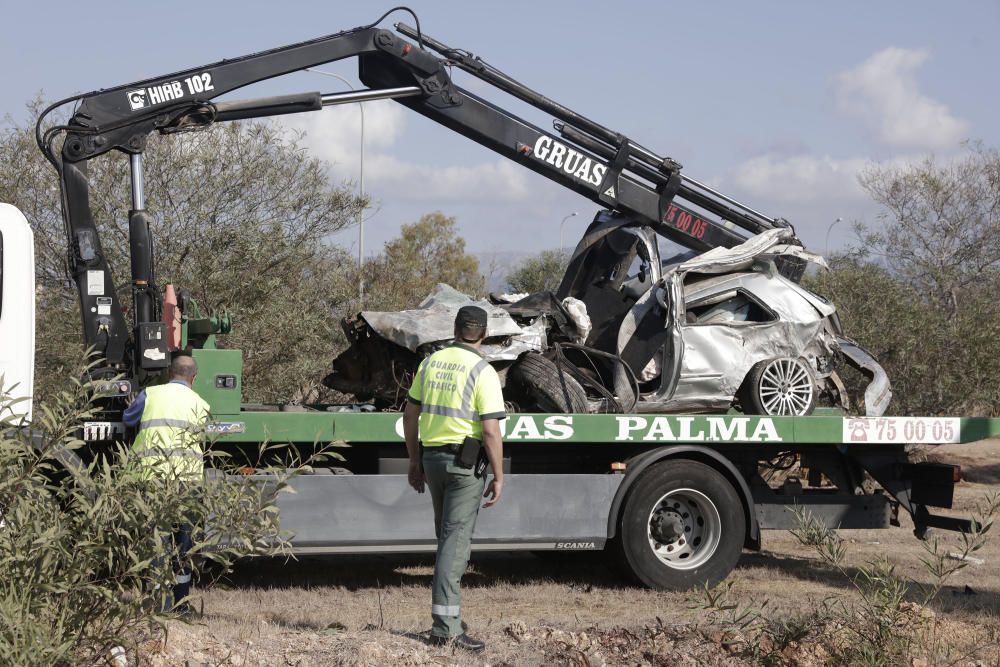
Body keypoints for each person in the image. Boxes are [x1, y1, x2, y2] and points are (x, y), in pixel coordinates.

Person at [403, 305, 506, 652]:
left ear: (455, 328)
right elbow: (491, 431)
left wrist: (414, 461)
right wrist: (499, 475)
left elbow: (410, 414)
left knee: (447, 539)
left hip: (432, 460)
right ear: (485, 333)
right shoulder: (483, 370)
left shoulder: (430, 362)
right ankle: (445, 628)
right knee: (454, 544)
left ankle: (450, 618)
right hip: (464, 468)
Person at [123, 355, 210, 614]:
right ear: (193, 378)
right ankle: (182, 605)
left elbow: (129, 419)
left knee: (158, 542)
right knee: (185, 544)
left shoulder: (150, 394)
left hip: (153, 479)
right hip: (188, 483)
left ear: (169, 373)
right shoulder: (201, 404)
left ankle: (162, 603)